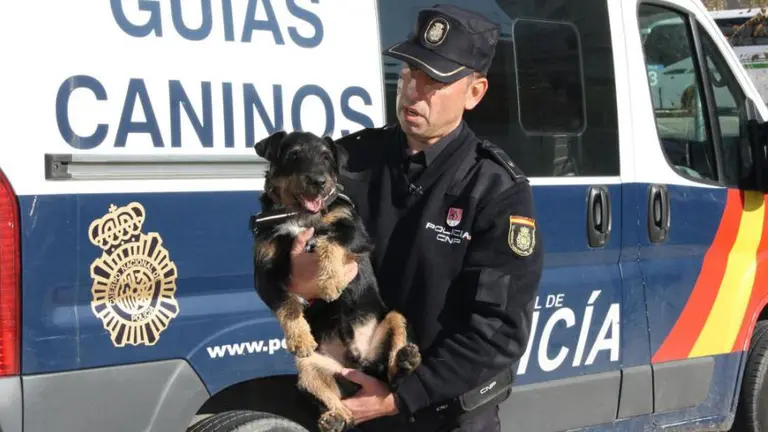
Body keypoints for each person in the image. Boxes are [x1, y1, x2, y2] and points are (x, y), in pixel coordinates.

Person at [286, 4, 544, 431]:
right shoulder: (350, 160)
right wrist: (295, 278)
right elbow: (279, 243)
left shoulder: (495, 189)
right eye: (409, 72)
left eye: (435, 81)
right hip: (355, 400)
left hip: (443, 413)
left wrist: (401, 397)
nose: (413, 91)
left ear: (475, 92)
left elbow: (498, 330)